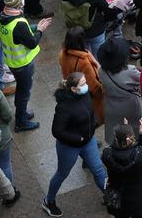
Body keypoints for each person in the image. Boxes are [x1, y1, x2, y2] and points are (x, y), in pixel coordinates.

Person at [44, 71, 108, 217]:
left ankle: (109, 194)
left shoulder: (84, 94)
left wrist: (94, 124)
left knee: (98, 169)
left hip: (88, 141)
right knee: (62, 174)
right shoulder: (64, 107)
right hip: (69, 147)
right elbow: (57, 131)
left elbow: (89, 111)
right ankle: (49, 201)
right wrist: (77, 139)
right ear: (73, 89)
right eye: (83, 84)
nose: (87, 86)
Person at [0, 0, 50, 131]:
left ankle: (23, 114)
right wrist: (40, 30)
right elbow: (32, 43)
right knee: (23, 93)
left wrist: (33, 28)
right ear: (19, 5)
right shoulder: (18, 23)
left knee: (21, 90)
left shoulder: (2, 18)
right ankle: (21, 122)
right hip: (22, 65)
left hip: (12, 62)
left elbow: (19, 35)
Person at [101, 119, 142, 218]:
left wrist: (122, 132)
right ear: (130, 138)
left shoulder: (106, 155)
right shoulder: (141, 155)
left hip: (118, 199)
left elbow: (114, 147)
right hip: (139, 199)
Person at [59, 27, 104, 126]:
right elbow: (94, 86)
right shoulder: (84, 61)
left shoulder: (62, 53)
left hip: (73, 91)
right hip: (88, 98)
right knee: (91, 121)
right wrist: (104, 91)